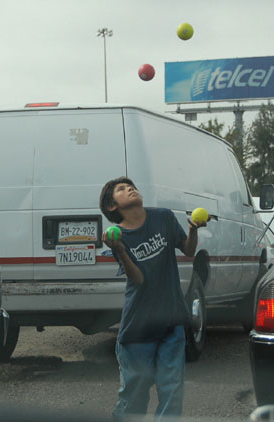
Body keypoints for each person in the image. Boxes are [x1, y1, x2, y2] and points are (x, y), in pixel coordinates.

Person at [99, 177, 206, 422]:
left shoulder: (163, 217)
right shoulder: (118, 237)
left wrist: (192, 230)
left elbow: (189, 250)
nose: (130, 189)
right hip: (138, 325)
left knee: (172, 391)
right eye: (122, 189)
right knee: (134, 396)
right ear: (112, 207)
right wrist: (120, 250)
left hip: (171, 318)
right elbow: (138, 279)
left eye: (131, 186)